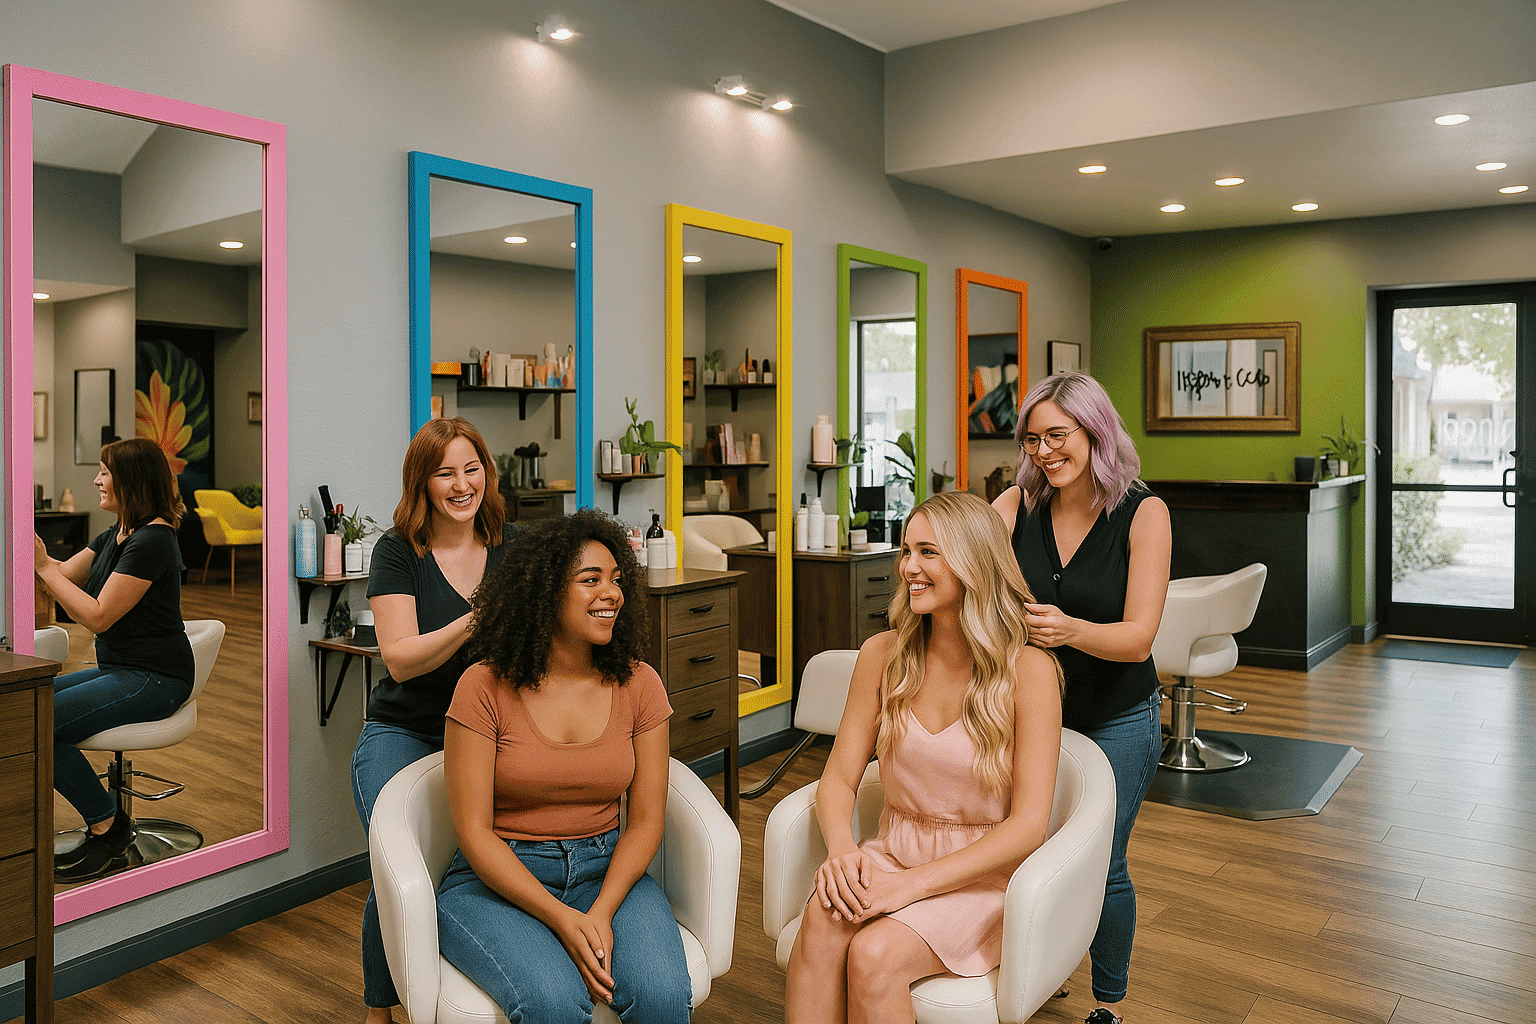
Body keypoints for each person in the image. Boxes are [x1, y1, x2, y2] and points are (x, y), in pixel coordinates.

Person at [786, 491, 1064, 1024]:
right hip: (892, 851)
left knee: (875, 955)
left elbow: (1029, 826)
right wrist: (844, 853)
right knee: (822, 921)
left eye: (928, 552)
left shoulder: (1030, 672)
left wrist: (908, 887)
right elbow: (838, 779)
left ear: (973, 563)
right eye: (907, 551)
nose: (908, 567)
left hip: (982, 878)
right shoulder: (882, 656)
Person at [436, 508, 691, 1023]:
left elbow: (644, 820)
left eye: (617, 580)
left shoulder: (640, 684)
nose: (611, 593)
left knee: (663, 995)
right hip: (501, 878)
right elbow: (474, 832)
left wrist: (599, 912)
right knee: (553, 1004)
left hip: (605, 870)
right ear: (546, 592)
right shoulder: (483, 687)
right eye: (590, 579)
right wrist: (560, 918)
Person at [992, 371, 1171, 1024]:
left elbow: (1139, 636)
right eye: (1032, 439)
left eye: (1057, 436)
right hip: (1035, 719)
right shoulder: (1019, 505)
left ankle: (1108, 1004)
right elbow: (970, 551)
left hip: (1119, 715)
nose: (1043, 452)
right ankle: (1040, 966)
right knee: (1030, 848)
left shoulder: (1143, 513)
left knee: (1102, 860)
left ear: (1095, 431)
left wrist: (1071, 631)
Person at [351, 417, 515, 1024]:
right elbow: (399, 660)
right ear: (422, 482)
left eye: (471, 468)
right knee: (399, 864)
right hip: (405, 731)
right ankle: (381, 1009)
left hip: (483, 733)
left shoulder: (509, 543)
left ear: (487, 474)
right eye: (445, 472)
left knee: (482, 859)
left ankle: (461, 990)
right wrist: (476, 619)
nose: (461, 484)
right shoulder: (398, 551)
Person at [35, 438, 196, 883]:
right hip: (123, 670)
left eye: (105, 472)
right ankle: (107, 822)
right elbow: (62, 576)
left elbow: (99, 616)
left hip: (156, 678)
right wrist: (37, 558)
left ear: (132, 482)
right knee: (26, 708)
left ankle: (108, 828)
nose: (96, 479)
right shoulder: (116, 535)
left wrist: (45, 569)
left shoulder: (153, 540)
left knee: (38, 721)